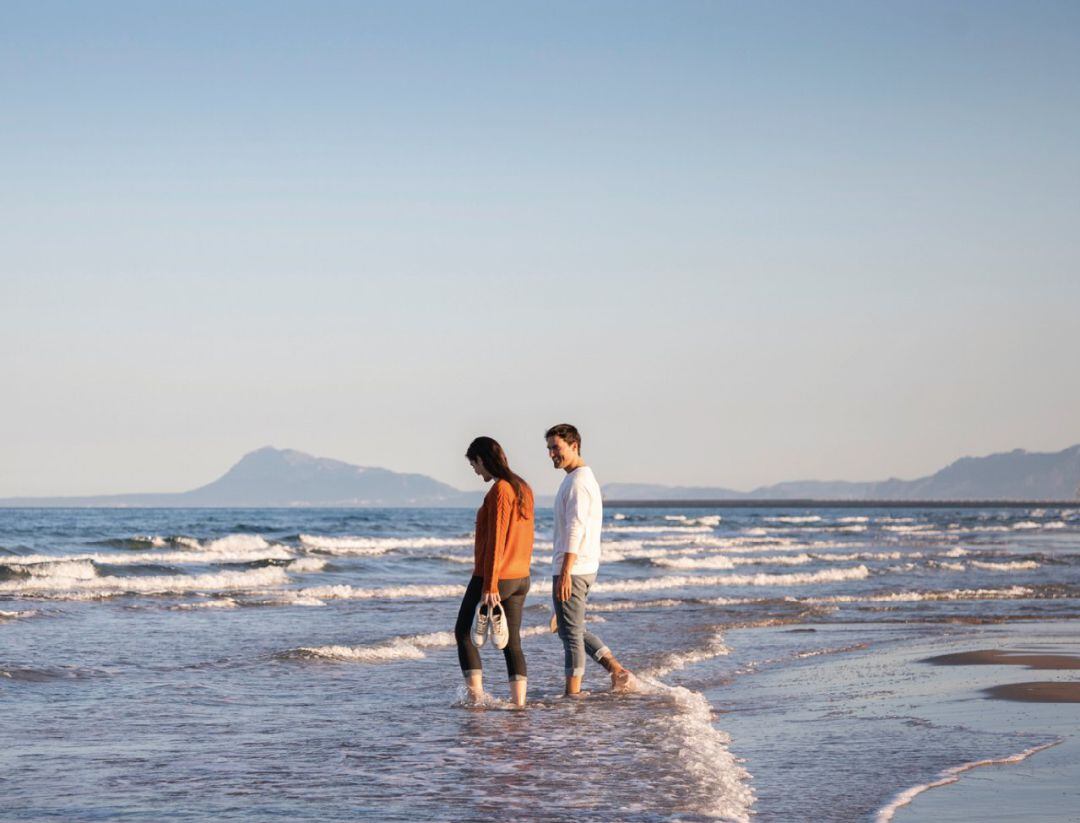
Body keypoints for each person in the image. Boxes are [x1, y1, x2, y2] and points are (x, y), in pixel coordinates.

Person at [545, 423, 633, 695]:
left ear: (574, 445)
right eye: (548, 449)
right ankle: (618, 672)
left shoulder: (579, 482)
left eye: (556, 448)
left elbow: (576, 528)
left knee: (571, 636)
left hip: (574, 568)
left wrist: (565, 573)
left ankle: (573, 695)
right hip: (581, 566)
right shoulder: (578, 478)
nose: (551, 454)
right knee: (572, 630)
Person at [454, 436, 535, 707]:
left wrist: (489, 586)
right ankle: (519, 705)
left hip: (496, 577)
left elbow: (497, 539)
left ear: (482, 459)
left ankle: (476, 698)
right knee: (512, 642)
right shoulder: (523, 486)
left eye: (474, 465)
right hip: (520, 577)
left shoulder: (501, 490)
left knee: (463, 633)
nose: (476, 472)